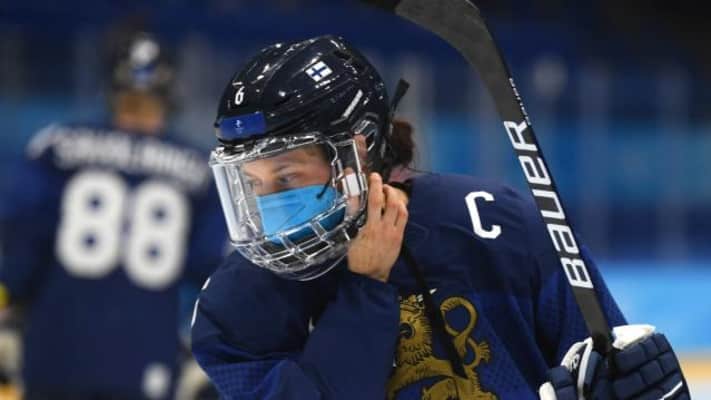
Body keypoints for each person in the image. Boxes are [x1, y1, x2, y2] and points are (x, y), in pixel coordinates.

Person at [190, 35, 690, 399]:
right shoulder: (236, 303)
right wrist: (364, 288)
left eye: (286, 177)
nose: (268, 205)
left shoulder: (500, 228)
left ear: (358, 152)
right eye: (253, 184)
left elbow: (611, 365)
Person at [0, 32, 225, 399]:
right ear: (169, 97)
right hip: (143, 352)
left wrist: (7, 298)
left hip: (55, 349)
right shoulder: (199, 170)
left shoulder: (57, 146)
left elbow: (23, 243)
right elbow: (214, 270)